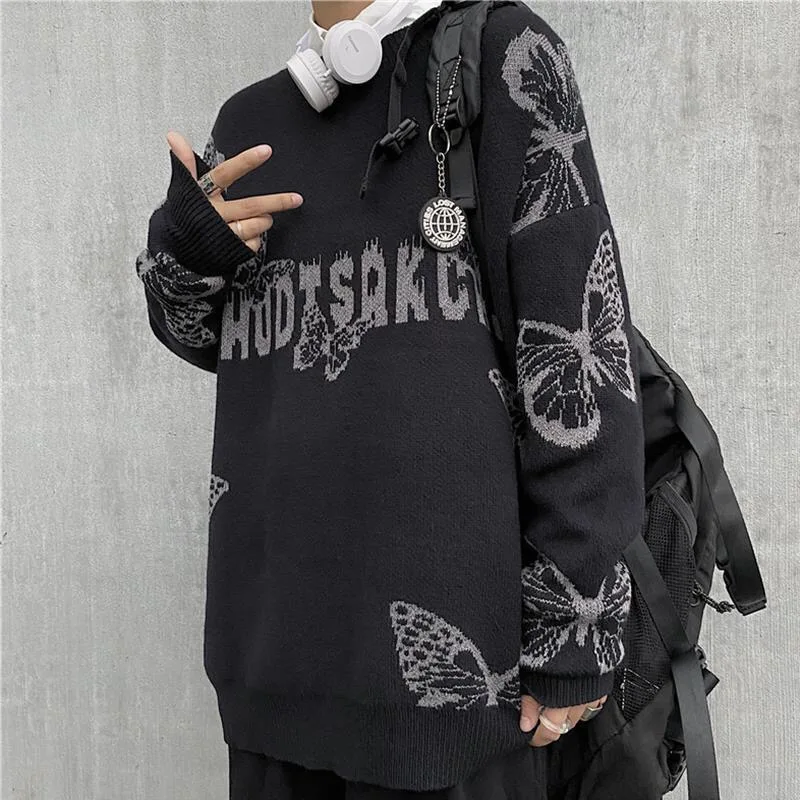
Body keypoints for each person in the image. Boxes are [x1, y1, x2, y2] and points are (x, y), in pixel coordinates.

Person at [134, 1, 645, 797]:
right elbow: (234, 349)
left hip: (458, 704)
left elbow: (579, 343)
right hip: (271, 671)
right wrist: (183, 255)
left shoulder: (501, 54)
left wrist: (576, 625)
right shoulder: (250, 119)